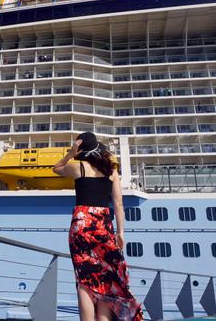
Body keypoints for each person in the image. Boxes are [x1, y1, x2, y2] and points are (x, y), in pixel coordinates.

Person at [53, 132, 143, 321]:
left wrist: (70, 153)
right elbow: (118, 204)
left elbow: (56, 168)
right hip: (103, 224)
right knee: (105, 277)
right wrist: (121, 232)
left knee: (85, 281)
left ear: (81, 149)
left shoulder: (78, 167)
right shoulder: (112, 171)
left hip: (81, 224)